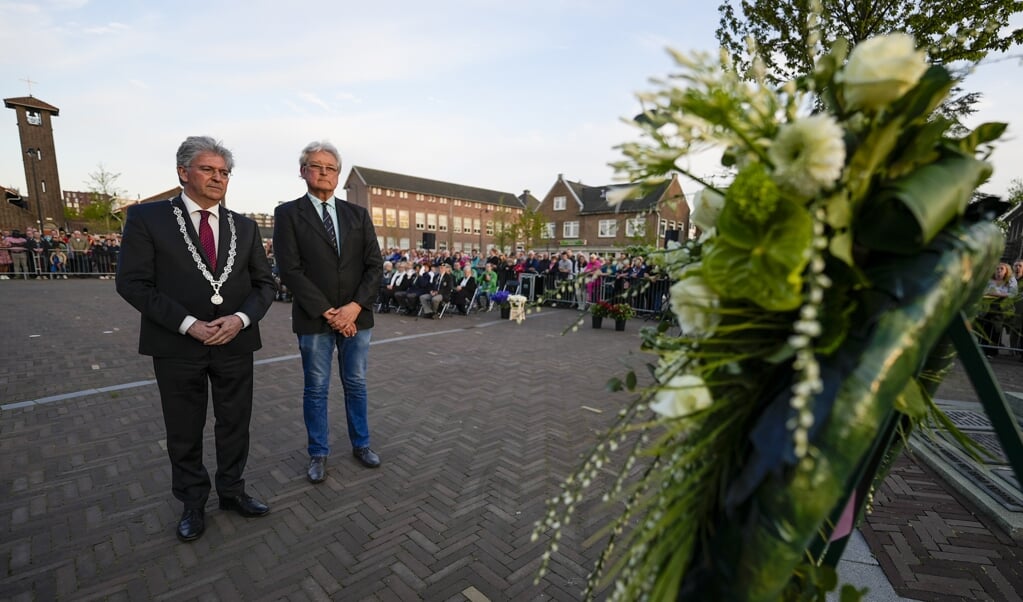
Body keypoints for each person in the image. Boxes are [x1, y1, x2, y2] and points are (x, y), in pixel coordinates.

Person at [116, 135, 276, 543]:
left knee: (235, 424)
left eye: (224, 172)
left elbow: (264, 285)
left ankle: (232, 491)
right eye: (208, 169)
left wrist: (241, 319)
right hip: (177, 345)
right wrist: (188, 323)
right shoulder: (148, 219)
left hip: (235, 343)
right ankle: (191, 502)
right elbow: (133, 283)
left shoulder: (245, 226)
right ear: (183, 172)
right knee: (184, 429)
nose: (218, 177)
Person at [273, 140, 384, 485]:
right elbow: (290, 270)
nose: (324, 172)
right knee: (316, 388)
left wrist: (353, 308)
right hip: (314, 317)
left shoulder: (357, 214)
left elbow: (374, 266)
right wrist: (328, 312)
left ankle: (361, 444)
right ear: (303, 171)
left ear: (338, 174)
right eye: (316, 166)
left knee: (357, 384)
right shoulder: (288, 214)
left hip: (357, 317)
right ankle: (318, 453)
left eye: (330, 167)